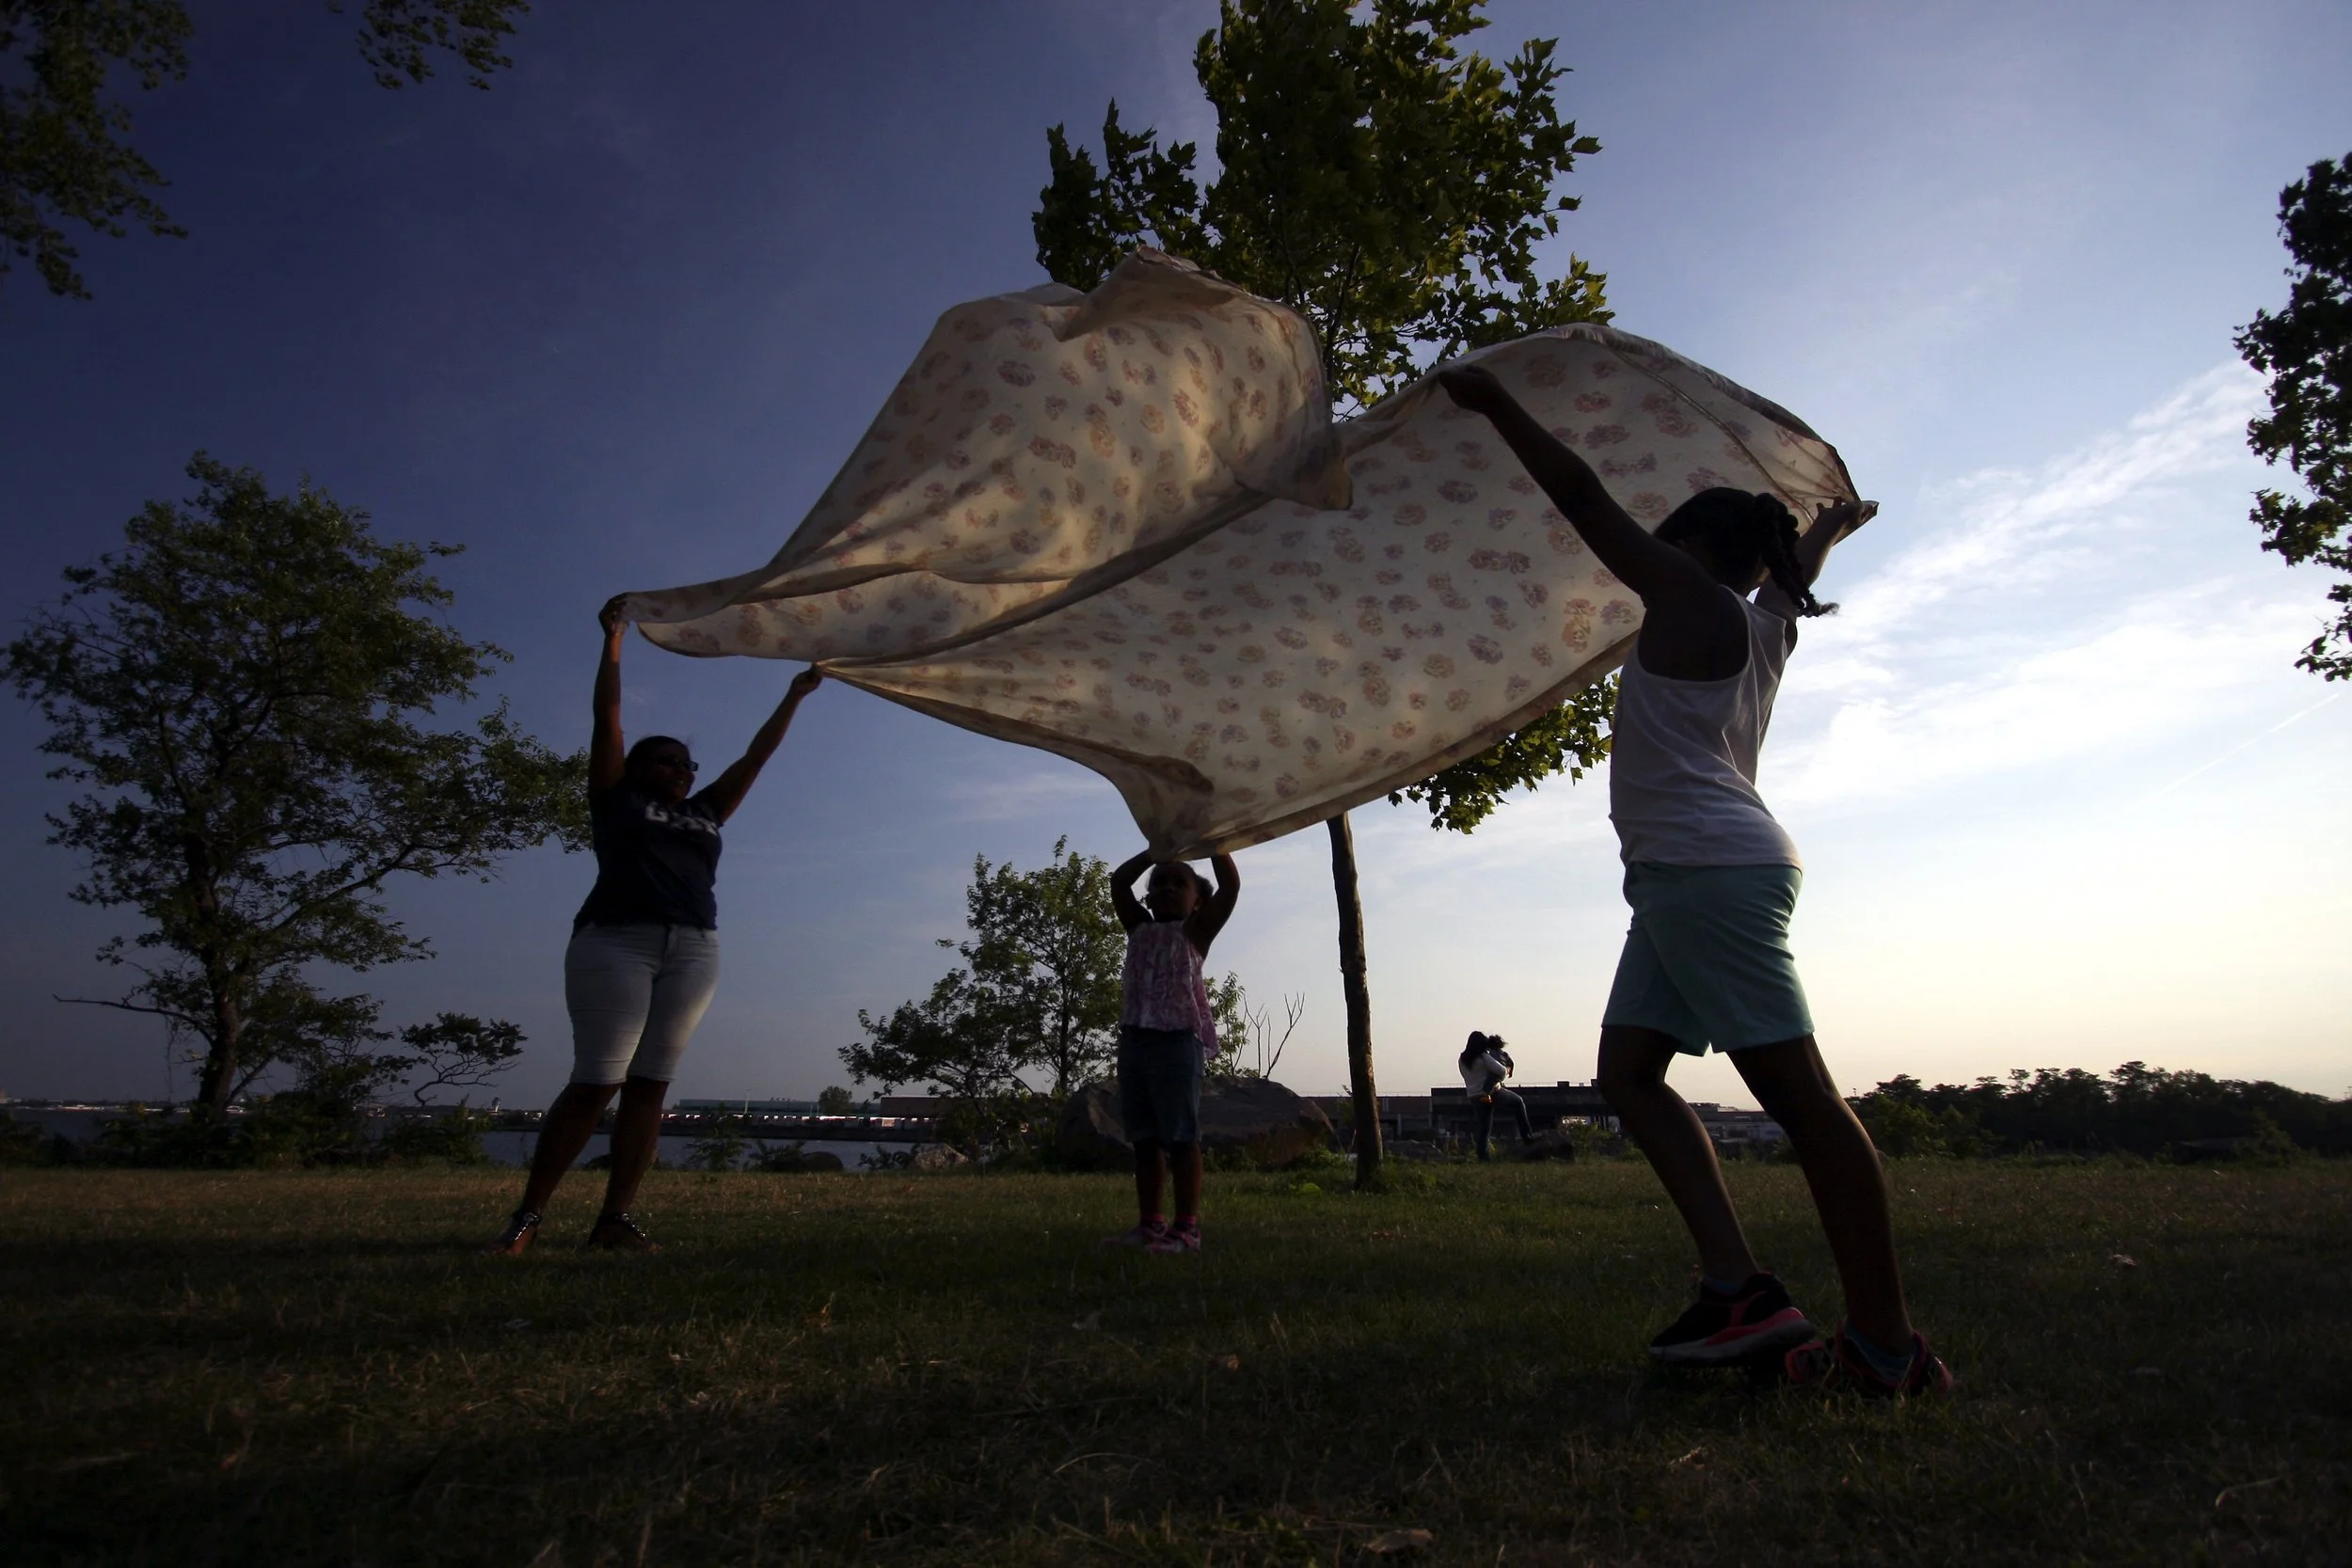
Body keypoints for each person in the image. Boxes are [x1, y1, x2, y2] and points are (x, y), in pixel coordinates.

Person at [1437, 362, 1951, 1397]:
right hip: (1696, 872)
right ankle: (1736, 1290)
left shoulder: (1689, 596)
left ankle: (1887, 1350)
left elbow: (1582, 495)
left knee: (1803, 1101)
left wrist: (1497, 403)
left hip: (1707, 870)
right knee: (1627, 1074)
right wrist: (1825, 532)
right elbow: (1788, 575)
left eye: (1668, 538)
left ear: (1688, 546)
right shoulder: (1767, 622)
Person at [485, 596, 824, 1255]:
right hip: (616, 940)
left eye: (688, 764)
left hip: (694, 948)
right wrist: (614, 642)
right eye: (668, 761)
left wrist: (795, 695)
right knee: (596, 1081)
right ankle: (527, 1217)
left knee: (650, 1087)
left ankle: (614, 1220)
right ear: (640, 767)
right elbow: (607, 719)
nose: (683, 771)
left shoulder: (707, 810)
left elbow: (755, 758)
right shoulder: (616, 798)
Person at [1102, 848, 1240, 1255]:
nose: (1167, 888)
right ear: (1147, 896)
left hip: (1178, 1042)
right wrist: (1154, 853)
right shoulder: (1138, 927)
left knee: (1181, 1137)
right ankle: (1151, 1224)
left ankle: (1187, 1230)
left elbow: (1231, 885)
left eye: (1180, 883)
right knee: (1144, 1138)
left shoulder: (1196, 932)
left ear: (1198, 900)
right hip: (1135, 1040)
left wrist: (1212, 842)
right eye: (1159, 882)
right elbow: (1118, 882)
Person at [1459, 1031, 1534, 1160]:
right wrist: (1507, 1070)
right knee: (1518, 1103)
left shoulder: (1462, 1059)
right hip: (1493, 1093)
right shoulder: (1483, 1056)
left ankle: (1483, 1157)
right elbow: (1501, 1071)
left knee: (1484, 1128)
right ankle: (1527, 1137)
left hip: (1474, 1096)